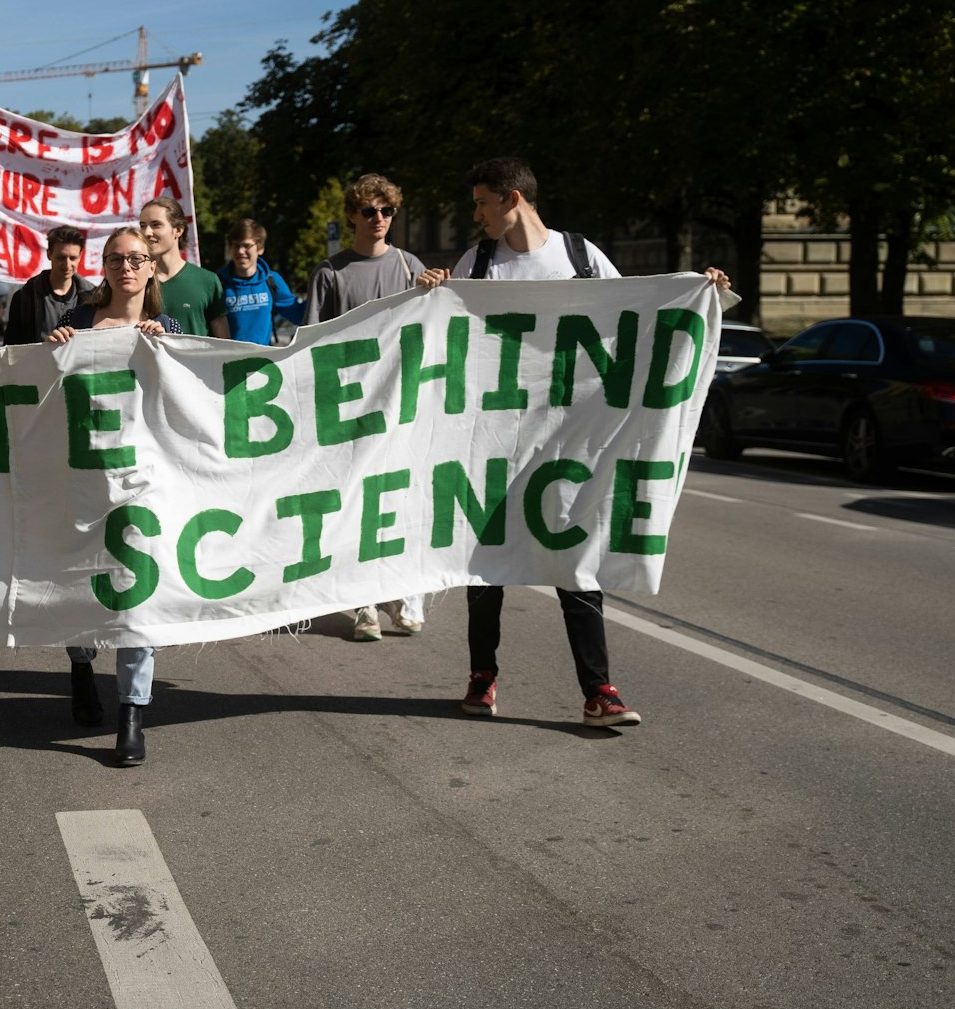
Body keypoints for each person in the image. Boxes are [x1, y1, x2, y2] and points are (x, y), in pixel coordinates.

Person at [416, 157, 730, 726]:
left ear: (513, 199)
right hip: (494, 439)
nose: (476, 214)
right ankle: (482, 677)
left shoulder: (582, 258)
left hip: (568, 441)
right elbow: (448, 335)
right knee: (486, 564)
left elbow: (637, 318)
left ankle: (599, 690)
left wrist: (698, 293)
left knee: (573, 558)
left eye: (482, 202)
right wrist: (433, 292)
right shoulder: (478, 261)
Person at [46, 228, 183, 767]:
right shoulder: (76, 324)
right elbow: (42, 397)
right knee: (83, 583)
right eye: (115, 259)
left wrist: (166, 350)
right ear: (102, 268)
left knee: (135, 594)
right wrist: (50, 352)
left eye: (136, 259)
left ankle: (132, 712)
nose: (126, 267)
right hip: (82, 476)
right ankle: (81, 666)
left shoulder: (167, 329)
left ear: (152, 268)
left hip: (144, 480)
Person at [303, 176, 430, 640]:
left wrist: (435, 290)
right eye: (370, 211)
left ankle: (399, 593)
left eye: (387, 212)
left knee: (397, 501)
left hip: (401, 406)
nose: (379, 219)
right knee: (355, 504)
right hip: (348, 408)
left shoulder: (410, 266)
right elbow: (310, 344)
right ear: (352, 216)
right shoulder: (330, 273)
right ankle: (363, 605)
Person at [139, 196, 228, 340]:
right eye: (143, 225)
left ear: (178, 230)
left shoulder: (207, 281)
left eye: (156, 225)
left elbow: (225, 345)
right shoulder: (134, 280)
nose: (146, 232)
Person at [2, 225, 97, 345]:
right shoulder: (24, 297)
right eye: (61, 258)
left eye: (73, 258)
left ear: (80, 257)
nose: (67, 265)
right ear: (49, 255)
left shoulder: (94, 298)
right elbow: (11, 348)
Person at [216, 218, 304, 345]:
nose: (241, 251)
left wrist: (322, 295)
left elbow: (298, 315)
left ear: (260, 248)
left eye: (246, 245)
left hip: (263, 362)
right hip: (227, 362)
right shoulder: (218, 283)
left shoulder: (272, 280)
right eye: (236, 245)